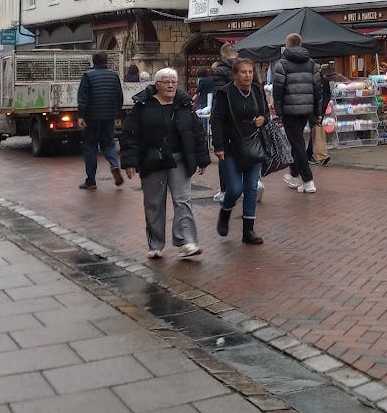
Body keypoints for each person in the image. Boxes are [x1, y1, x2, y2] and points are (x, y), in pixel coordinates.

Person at [119, 68, 210, 259]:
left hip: (180, 159)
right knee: (154, 203)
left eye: (173, 82)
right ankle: (155, 244)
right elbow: (129, 135)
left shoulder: (184, 104)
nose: (170, 85)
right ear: (157, 84)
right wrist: (129, 161)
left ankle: (186, 241)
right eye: (166, 82)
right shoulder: (143, 106)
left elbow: (196, 133)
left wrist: (202, 159)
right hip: (153, 160)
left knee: (183, 200)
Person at [210, 57, 267, 245]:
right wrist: (218, 145)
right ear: (235, 74)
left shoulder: (257, 90)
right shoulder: (224, 93)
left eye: (250, 72)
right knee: (235, 188)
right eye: (244, 72)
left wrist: (262, 119)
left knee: (251, 188)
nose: (248, 75)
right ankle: (226, 210)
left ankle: (248, 231)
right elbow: (216, 119)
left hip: (253, 145)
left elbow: (264, 112)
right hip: (231, 147)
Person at [273, 33, 325, 194]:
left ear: (286, 44)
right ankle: (294, 174)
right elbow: (318, 90)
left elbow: (278, 91)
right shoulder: (311, 64)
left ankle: (308, 180)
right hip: (307, 110)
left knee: (297, 144)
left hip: (290, 110)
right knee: (297, 142)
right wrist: (317, 112)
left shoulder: (281, 64)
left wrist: (278, 112)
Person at [76, 50, 124, 191]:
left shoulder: (88, 75)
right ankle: (114, 164)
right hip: (109, 116)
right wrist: (116, 112)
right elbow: (119, 96)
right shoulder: (114, 75)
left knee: (90, 147)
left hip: (91, 117)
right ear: (106, 61)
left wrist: (81, 116)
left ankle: (91, 181)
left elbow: (83, 98)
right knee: (109, 144)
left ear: (93, 61)